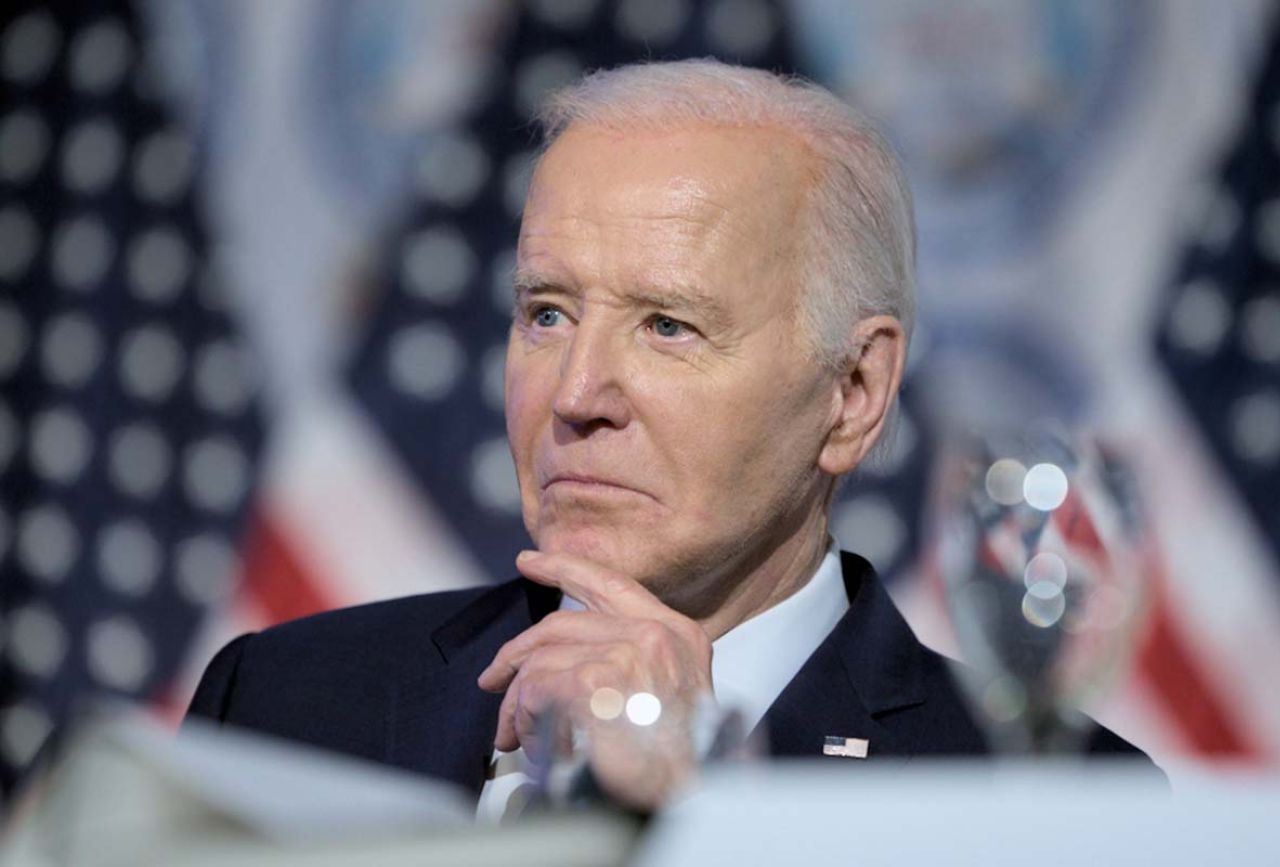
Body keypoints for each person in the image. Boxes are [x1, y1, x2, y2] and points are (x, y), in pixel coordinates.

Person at [187, 59, 1150, 815]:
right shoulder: (283, 703)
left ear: (854, 393)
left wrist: (706, 816)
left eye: (668, 326)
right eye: (548, 314)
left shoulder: (1049, 803)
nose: (577, 395)